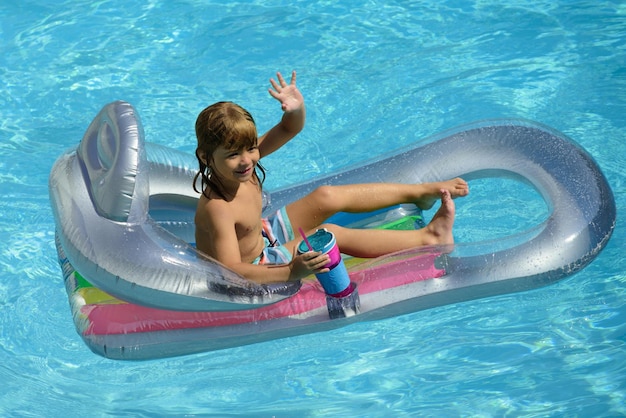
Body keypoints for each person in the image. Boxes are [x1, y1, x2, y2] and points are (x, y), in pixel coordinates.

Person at [194, 71, 469, 284]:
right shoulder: (218, 208)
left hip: (265, 233)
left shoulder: (243, 164)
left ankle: (419, 194)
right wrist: (291, 271)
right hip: (258, 263)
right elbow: (232, 271)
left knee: (326, 194)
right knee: (331, 235)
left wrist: (295, 107)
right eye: (233, 154)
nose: (247, 160)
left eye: (251, 148)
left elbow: (289, 128)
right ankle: (430, 239)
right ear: (207, 158)